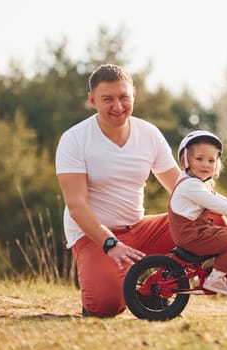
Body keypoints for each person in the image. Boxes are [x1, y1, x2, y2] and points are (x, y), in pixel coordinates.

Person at [55, 63, 181, 317]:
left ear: (133, 94)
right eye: (107, 99)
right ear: (92, 100)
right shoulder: (75, 139)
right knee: (105, 306)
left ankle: (151, 292)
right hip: (95, 237)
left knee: (211, 221)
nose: (118, 106)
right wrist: (110, 244)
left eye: (123, 97)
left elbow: (181, 190)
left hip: (139, 229)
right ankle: (108, 288)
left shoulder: (149, 134)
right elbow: (76, 205)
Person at [168, 130, 227, 296]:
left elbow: (218, 198)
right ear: (185, 160)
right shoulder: (190, 185)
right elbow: (214, 203)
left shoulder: (199, 184)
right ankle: (215, 279)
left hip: (194, 232)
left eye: (211, 160)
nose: (206, 165)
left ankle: (218, 274)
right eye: (199, 159)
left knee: (225, 235)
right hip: (191, 235)